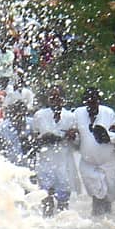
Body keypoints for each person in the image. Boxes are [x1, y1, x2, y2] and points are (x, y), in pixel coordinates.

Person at [31, 86, 80, 215]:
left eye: (58, 97)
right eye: (52, 97)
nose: (55, 100)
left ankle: (61, 225)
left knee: (63, 203)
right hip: (45, 162)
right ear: (48, 99)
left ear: (63, 99)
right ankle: (47, 224)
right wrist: (44, 138)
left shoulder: (70, 116)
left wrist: (71, 136)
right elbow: (34, 139)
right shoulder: (40, 115)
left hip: (64, 163)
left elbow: (77, 142)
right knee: (46, 199)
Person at [73, 87, 115, 215]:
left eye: (94, 101)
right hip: (88, 163)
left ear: (99, 101)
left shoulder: (108, 113)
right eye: (88, 102)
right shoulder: (78, 113)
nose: (91, 105)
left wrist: (108, 137)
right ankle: (97, 220)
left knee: (109, 196)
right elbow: (76, 139)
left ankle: (107, 222)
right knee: (96, 195)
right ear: (85, 102)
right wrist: (73, 136)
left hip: (108, 163)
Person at [0, 100, 32, 166]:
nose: (19, 117)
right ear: (12, 114)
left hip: (29, 166)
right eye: (16, 114)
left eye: (21, 114)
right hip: (9, 165)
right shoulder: (1, 128)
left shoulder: (32, 124)